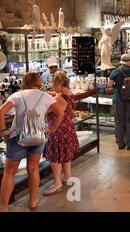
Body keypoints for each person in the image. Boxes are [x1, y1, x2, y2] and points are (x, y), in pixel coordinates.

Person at [0, 72, 66, 211]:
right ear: (39, 82)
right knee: (34, 168)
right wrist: (52, 129)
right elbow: (61, 112)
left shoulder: (17, 95)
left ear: (24, 83)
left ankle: (3, 207)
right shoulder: (46, 96)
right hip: (38, 137)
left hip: (18, 138)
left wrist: (3, 131)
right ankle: (33, 202)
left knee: (10, 172)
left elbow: (1, 111)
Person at [42, 72, 81, 196]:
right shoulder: (69, 94)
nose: (52, 87)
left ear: (59, 84)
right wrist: (49, 93)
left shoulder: (58, 98)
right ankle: (67, 177)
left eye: (54, 85)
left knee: (55, 157)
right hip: (68, 128)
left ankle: (57, 183)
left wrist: (52, 128)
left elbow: (47, 109)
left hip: (58, 130)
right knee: (65, 153)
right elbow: (58, 94)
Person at [108, 54, 130, 150]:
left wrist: (116, 86)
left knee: (119, 121)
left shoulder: (116, 71)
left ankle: (120, 143)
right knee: (129, 121)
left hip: (118, 99)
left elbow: (109, 85)